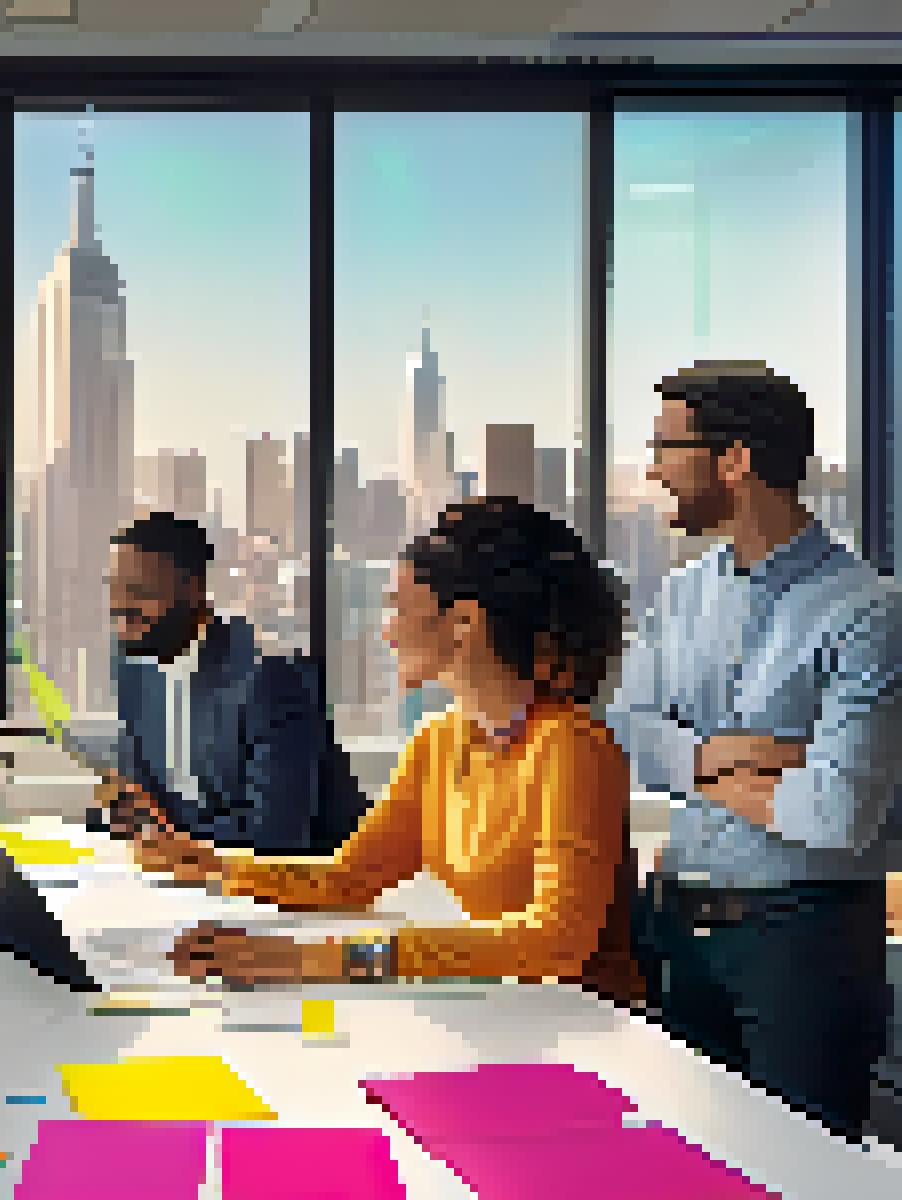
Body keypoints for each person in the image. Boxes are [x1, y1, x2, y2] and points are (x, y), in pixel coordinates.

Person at [134, 496, 641, 1008]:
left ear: (463, 622)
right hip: (500, 1009)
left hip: (585, 1024)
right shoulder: (440, 741)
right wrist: (215, 867)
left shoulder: (571, 747)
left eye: (398, 605)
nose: (387, 629)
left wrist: (319, 960)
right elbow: (350, 879)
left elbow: (556, 942)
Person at [609, 362, 900, 1138]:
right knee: (687, 1168)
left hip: (803, 942)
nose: (654, 470)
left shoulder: (868, 613)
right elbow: (629, 733)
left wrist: (690, 762)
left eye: (667, 447)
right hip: (677, 931)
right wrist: (742, 757)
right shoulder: (680, 593)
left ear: (734, 460)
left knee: (803, 1171)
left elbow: (836, 814)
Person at [78, 512, 368, 855]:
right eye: (113, 588)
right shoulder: (134, 669)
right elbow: (137, 801)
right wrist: (115, 811)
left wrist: (162, 827)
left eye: (138, 590)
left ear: (194, 590)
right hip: (190, 871)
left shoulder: (270, 678)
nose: (119, 605)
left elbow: (275, 837)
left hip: (299, 881)